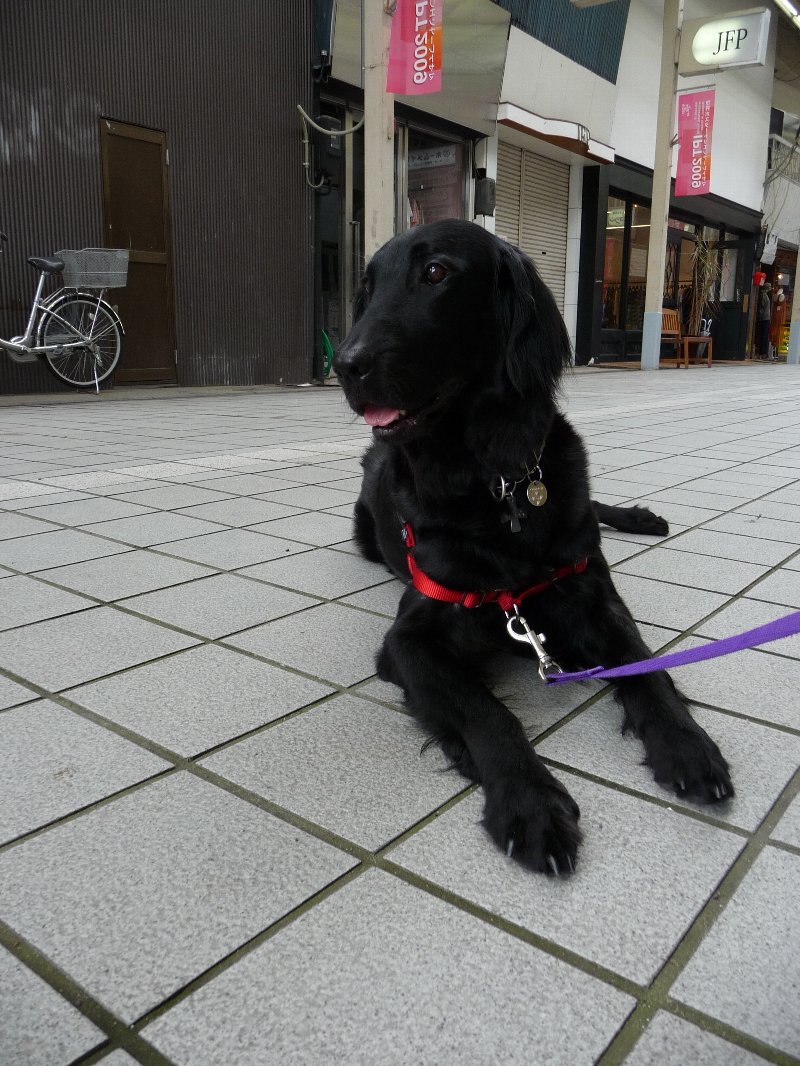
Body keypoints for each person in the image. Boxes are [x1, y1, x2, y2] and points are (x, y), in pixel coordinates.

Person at [768, 284, 787, 359]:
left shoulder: (776, 296)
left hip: (775, 317)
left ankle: (772, 352)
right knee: (777, 333)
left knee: (774, 332)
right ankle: (774, 353)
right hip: (779, 318)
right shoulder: (781, 296)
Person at [756, 280, 771, 358]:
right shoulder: (764, 296)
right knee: (763, 335)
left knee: (764, 335)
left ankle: (763, 352)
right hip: (764, 318)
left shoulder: (764, 295)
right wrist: (761, 317)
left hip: (765, 317)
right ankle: (762, 352)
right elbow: (762, 307)